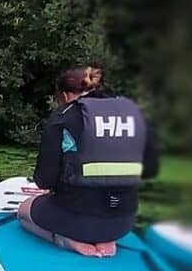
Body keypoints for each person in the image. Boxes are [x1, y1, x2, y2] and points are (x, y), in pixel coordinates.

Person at [18, 66, 158, 257]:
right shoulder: (133, 114)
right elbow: (150, 169)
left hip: (76, 222)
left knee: (23, 212)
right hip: (123, 222)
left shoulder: (64, 117)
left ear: (66, 95)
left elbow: (44, 180)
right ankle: (107, 241)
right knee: (105, 208)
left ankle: (68, 241)